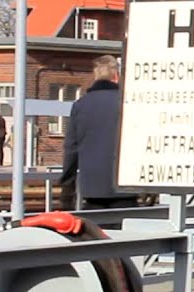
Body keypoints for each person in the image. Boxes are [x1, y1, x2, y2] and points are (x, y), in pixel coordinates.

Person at [59, 55, 139, 212]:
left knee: (95, 225)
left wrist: (67, 189)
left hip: (92, 187)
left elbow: (71, 148)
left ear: (95, 76)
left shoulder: (80, 105)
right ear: (116, 76)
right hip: (126, 186)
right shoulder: (128, 103)